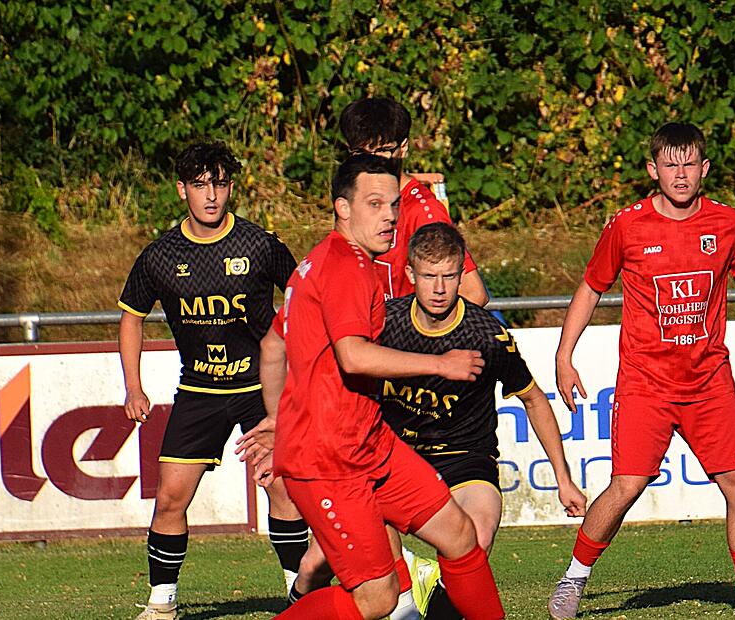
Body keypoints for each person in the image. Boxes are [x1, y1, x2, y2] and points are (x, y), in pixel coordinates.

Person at [240, 154, 504, 620]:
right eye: (375, 204)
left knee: (459, 534)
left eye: (394, 204)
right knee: (378, 598)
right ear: (343, 208)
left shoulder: (320, 261)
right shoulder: (345, 266)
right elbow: (353, 355)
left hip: (370, 442)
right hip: (329, 461)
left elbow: (272, 346)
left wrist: (280, 418)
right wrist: (440, 364)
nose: (390, 216)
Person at [546, 122, 735, 619]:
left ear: (704, 169)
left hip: (709, 382)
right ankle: (573, 579)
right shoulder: (627, 225)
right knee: (626, 486)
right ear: (653, 170)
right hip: (646, 384)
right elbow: (591, 287)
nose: (681, 174)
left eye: (689, 164)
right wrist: (564, 356)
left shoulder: (728, 223)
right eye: (670, 165)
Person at [118, 141, 308, 620]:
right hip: (199, 390)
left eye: (220, 184)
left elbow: (305, 297)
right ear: (181, 189)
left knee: (282, 487)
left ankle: (299, 594)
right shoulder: (161, 255)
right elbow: (131, 317)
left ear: (231, 188)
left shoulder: (259, 245)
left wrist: (300, 367)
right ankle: (162, 603)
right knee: (170, 497)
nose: (211, 195)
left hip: (260, 390)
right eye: (200, 185)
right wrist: (133, 387)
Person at [380, 222, 587, 618]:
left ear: (462, 274)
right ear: (410, 274)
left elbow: (534, 400)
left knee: (475, 539)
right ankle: (403, 597)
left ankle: (435, 606)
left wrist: (563, 480)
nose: (439, 288)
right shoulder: (384, 325)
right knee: (365, 548)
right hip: (398, 456)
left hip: (465, 457)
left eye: (448, 276)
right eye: (429, 276)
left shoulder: (486, 334)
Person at [339, 97, 488, 305]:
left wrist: (412, 324)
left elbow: (473, 293)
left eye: (382, 151)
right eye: (361, 153)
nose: (371, 162)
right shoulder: (353, 198)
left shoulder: (422, 212)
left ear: (403, 148)